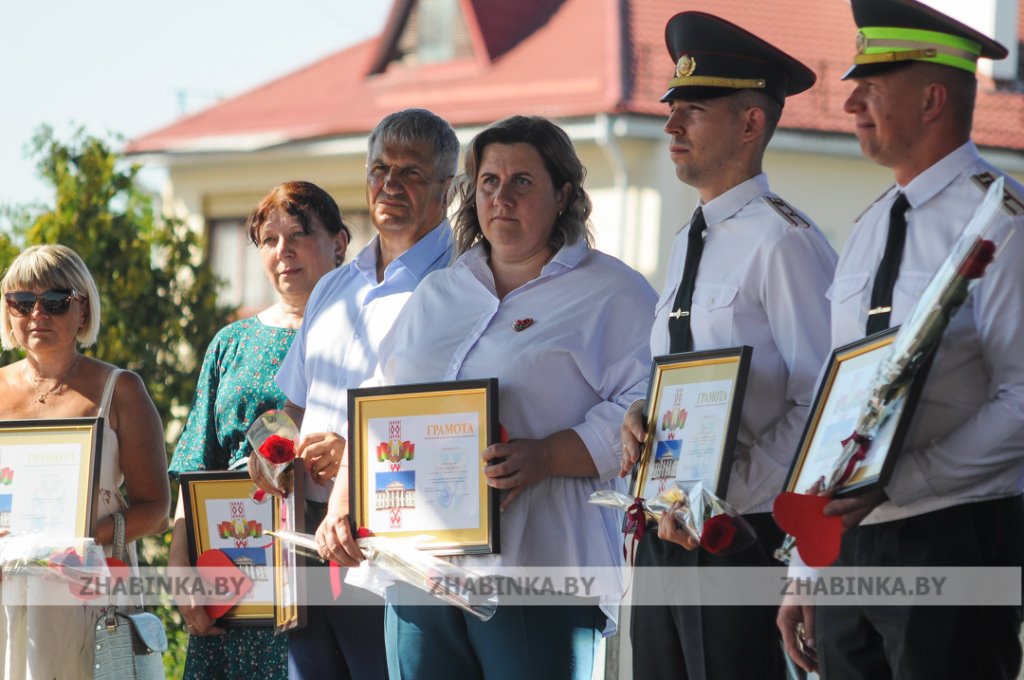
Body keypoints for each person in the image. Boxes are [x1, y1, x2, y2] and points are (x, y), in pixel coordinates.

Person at [359, 114, 656, 680]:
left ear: (564, 193)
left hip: (539, 562)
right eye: (489, 181)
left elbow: (647, 404)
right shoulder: (438, 292)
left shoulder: (612, 292)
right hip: (421, 564)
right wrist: (353, 497)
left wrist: (544, 456)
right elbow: (381, 400)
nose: (502, 196)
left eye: (523, 181)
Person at [777, 1, 1024, 677]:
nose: (851, 102)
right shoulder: (869, 226)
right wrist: (808, 561)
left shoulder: (1003, 220)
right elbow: (840, 405)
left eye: (872, 86)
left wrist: (905, 483)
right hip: (854, 543)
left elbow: (1021, 400)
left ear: (933, 97)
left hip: (953, 533)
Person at [618, 12, 837, 680]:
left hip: (740, 534)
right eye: (672, 109)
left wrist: (723, 492)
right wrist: (638, 415)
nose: (671, 127)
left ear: (750, 123)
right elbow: (679, 373)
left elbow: (821, 405)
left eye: (693, 110)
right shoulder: (690, 236)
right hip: (667, 532)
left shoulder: (786, 242)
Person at [257, 108, 459, 680]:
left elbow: (457, 421)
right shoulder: (333, 286)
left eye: (411, 173)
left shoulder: (464, 284)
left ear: (448, 186)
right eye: (379, 169)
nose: (390, 186)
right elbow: (294, 404)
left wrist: (359, 462)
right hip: (308, 533)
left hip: (394, 536)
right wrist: (268, 447)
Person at [168, 181, 350, 679]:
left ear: (340, 242)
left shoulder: (366, 330)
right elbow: (195, 464)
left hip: (331, 565)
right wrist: (180, 561)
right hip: (233, 563)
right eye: (269, 240)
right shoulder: (231, 342)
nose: (282, 251)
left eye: (299, 233)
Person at [0, 244, 170, 680]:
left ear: (83, 311)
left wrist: (84, 539)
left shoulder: (122, 390)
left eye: (55, 301)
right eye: (21, 301)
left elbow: (156, 509)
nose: (37, 313)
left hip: (89, 589)